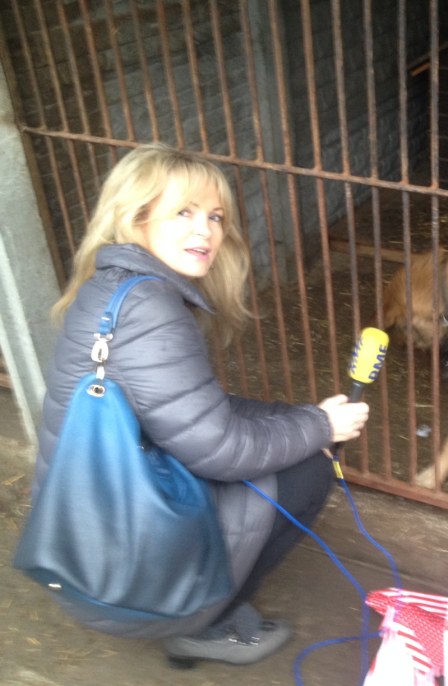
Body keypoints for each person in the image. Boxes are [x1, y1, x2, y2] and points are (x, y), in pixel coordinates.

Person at [33, 143, 370, 667]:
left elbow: (193, 410)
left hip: (85, 534)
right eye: (184, 213)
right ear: (136, 217)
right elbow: (221, 451)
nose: (206, 231)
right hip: (125, 571)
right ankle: (203, 624)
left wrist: (301, 418)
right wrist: (321, 426)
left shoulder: (113, 287)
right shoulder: (150, 308)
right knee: (306, 470)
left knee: (288, 431)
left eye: (215, 217)